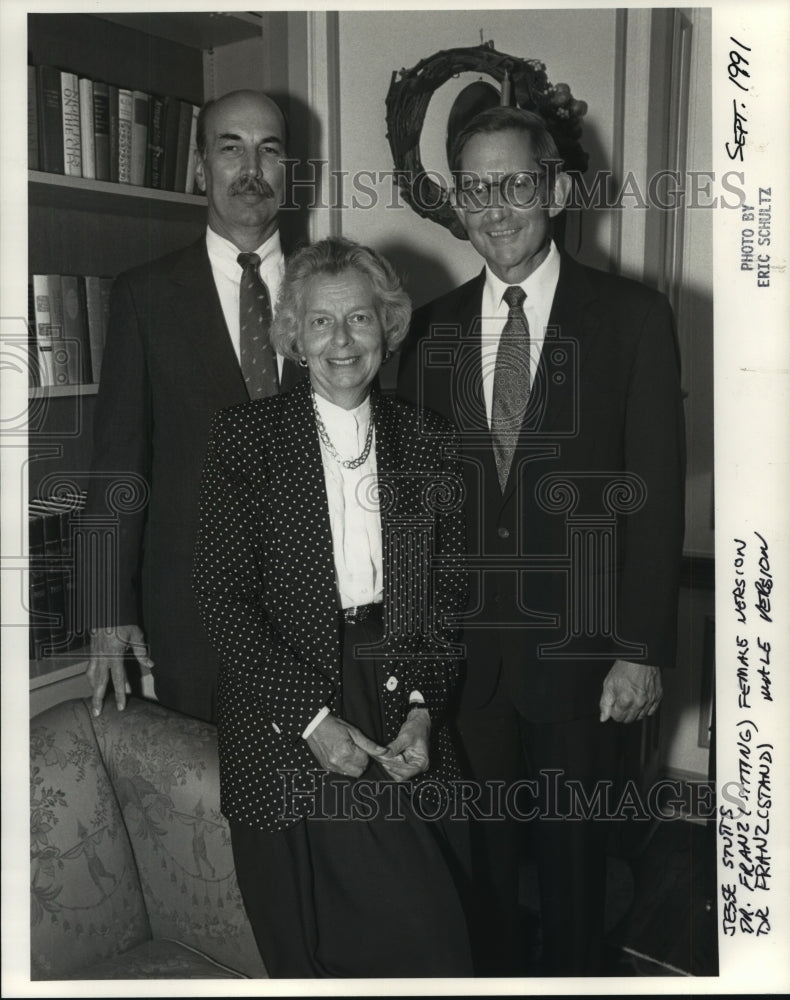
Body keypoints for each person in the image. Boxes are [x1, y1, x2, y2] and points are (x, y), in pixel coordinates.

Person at [397, 106, 685, 976]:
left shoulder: (634, 318)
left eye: (515, 184)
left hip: (587, 659)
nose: (496, 209)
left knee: (573, 874)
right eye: (476, 190)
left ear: (556, 189)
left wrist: (640, 648)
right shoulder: (431, 328)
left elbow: (656, 496)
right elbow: (418, 506)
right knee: (479, 873)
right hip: (467, 661)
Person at [192, 236, 473, 978]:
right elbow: (222, 600)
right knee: (305, 947)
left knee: (430, 935)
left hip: (395, 688)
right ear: (293, 334)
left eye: (359, 320)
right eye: (320, 322)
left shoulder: (429, 441)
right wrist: (314, 722)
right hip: (281, 707)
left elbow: (446, 597)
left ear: (388, 326)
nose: (341, 341)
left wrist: (421, 708)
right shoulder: (245, 437)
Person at [84, 89, 303, 723]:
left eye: (269, 150)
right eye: (230, 148)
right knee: (209, 808)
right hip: (193, 615)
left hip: (321, 612)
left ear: (289, 169)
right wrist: (106, 608)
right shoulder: (144, 297)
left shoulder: (334, 289)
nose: (250, 169)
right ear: (203, 168)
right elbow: (117, 463)